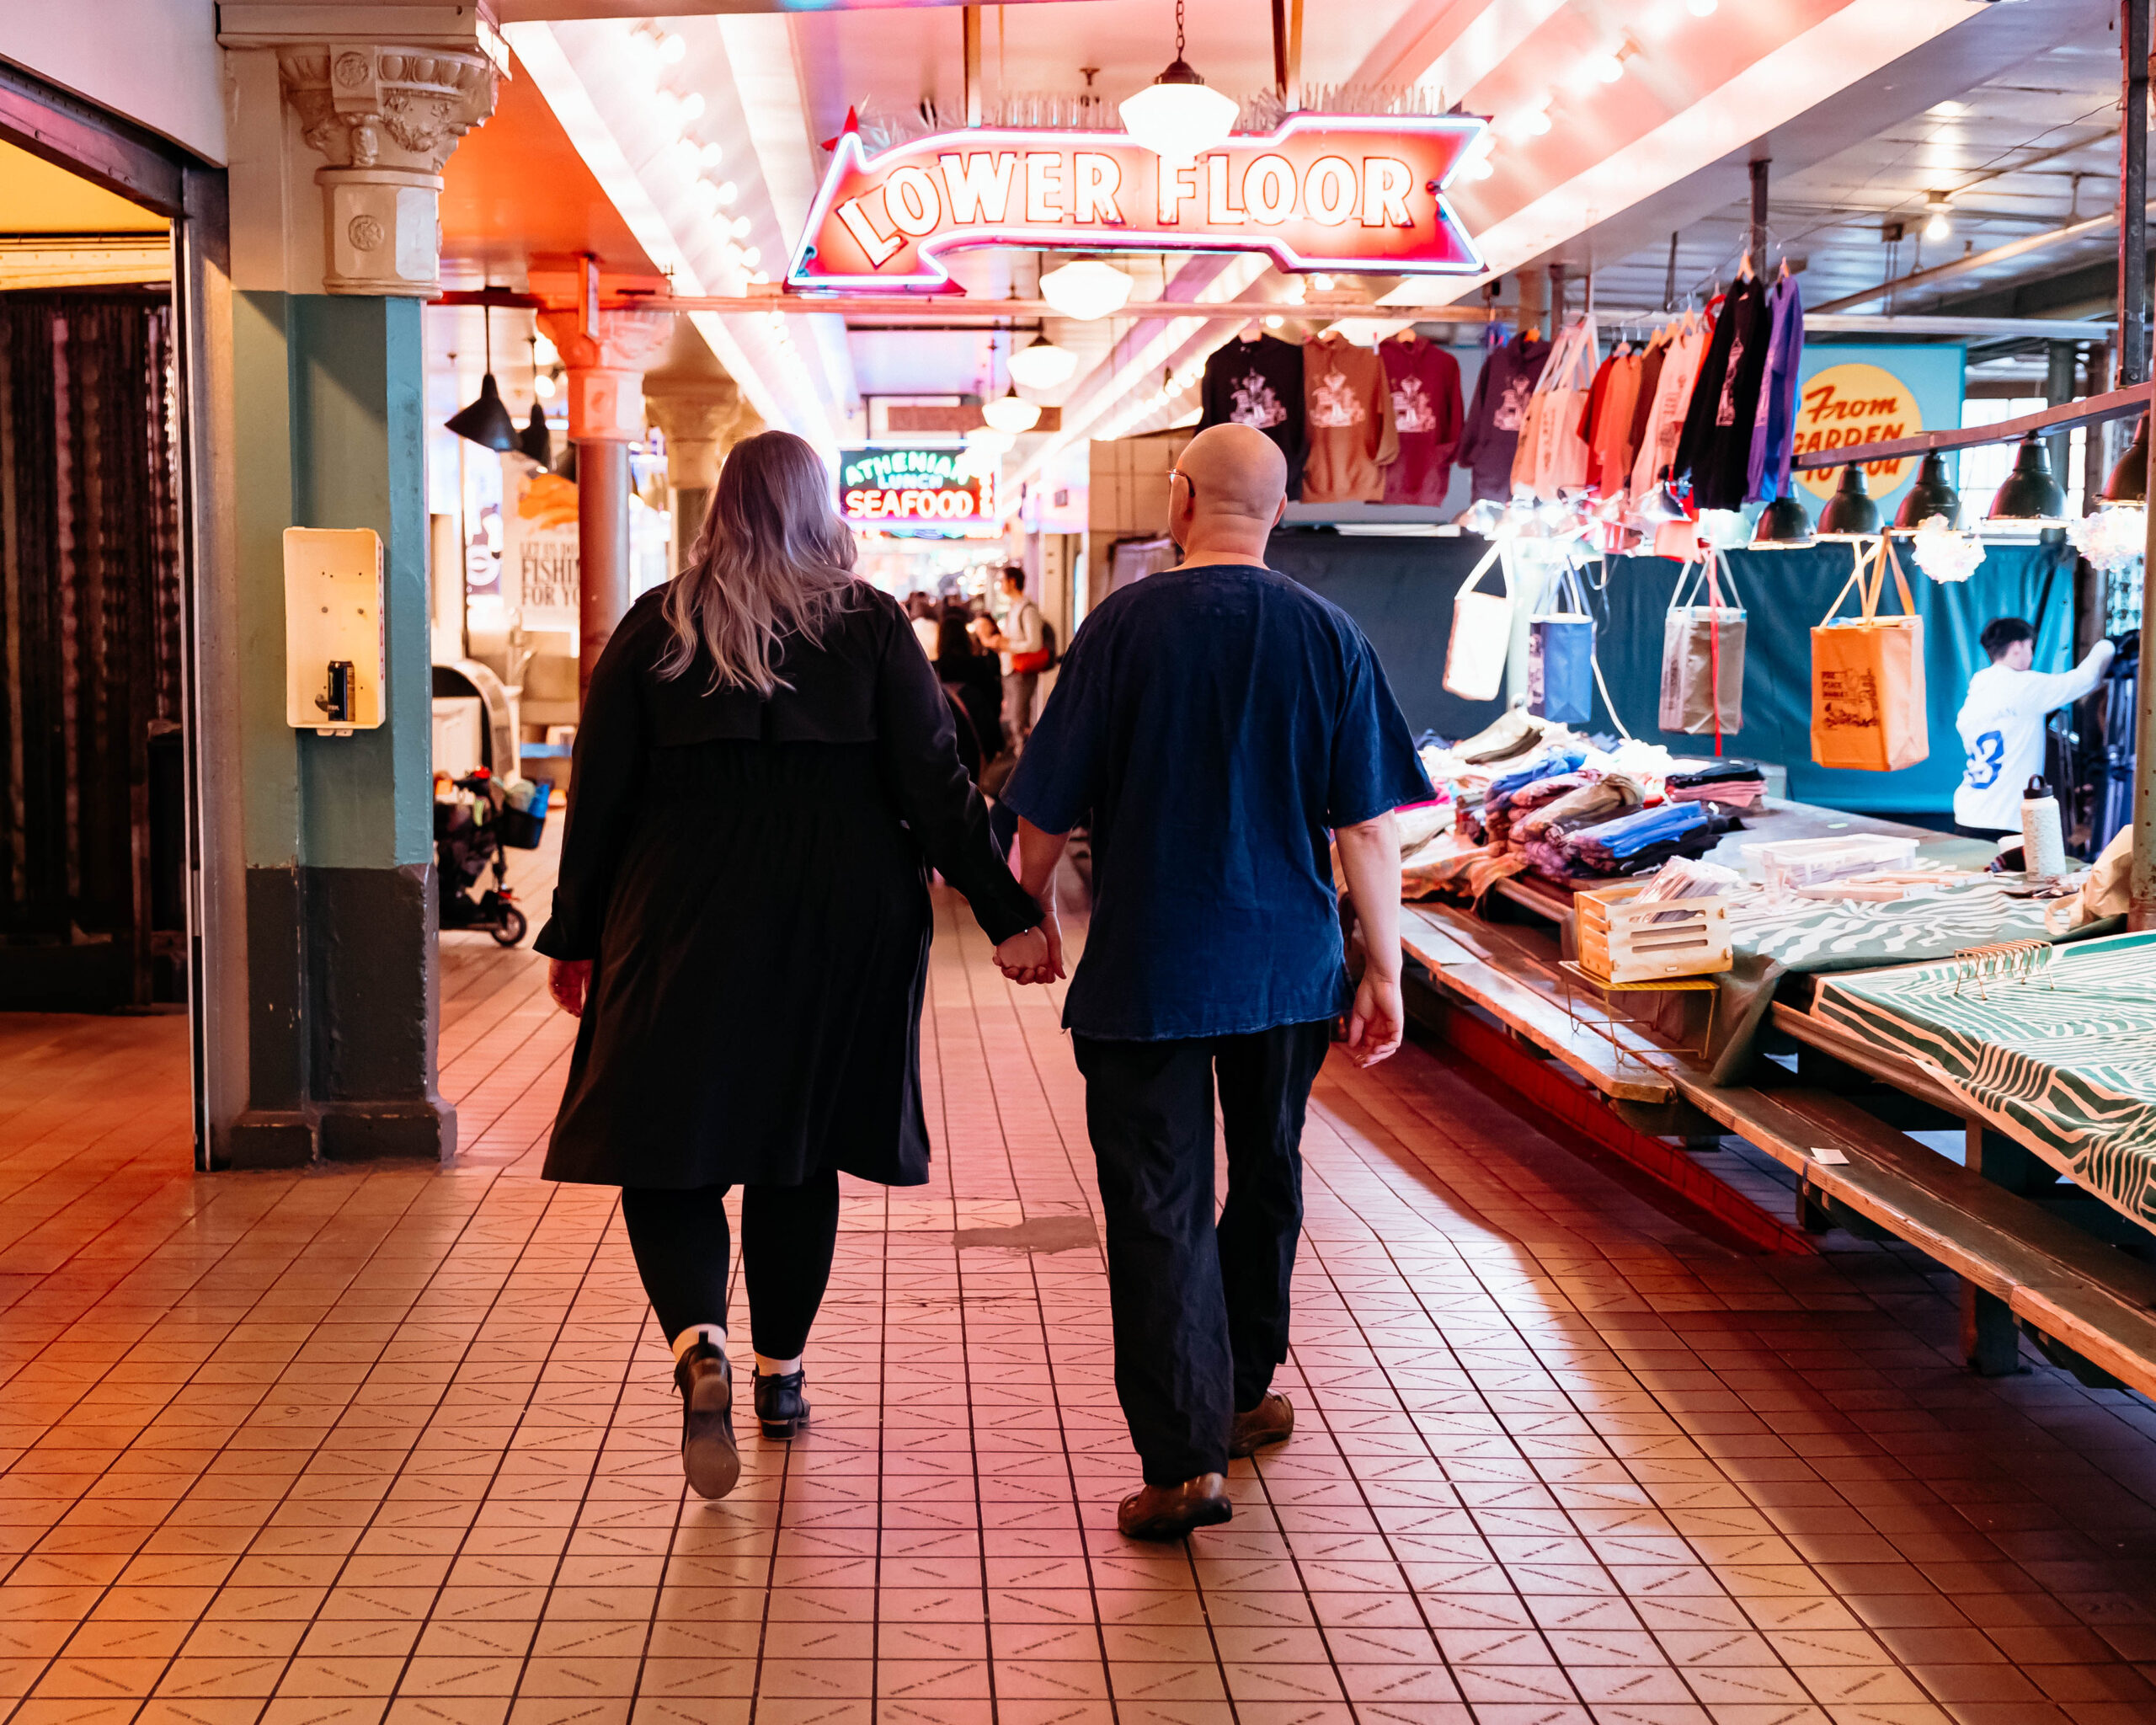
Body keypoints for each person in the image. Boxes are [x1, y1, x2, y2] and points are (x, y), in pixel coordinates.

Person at [536, 431, 1051, 1500]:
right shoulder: (868, 626)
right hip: (842, 917)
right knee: (797, 1143)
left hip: (678, 912)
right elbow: (936, 784)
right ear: (823, 509)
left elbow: (604, 791)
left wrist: (575, 930)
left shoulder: (658, 624)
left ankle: (698, 1345)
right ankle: (779, 1374)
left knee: (664, 1145)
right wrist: (1008, 914)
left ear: (720, 508)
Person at [995, 423, 1432, 1542]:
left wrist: (1027, 910)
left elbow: (1045, 805)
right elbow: (1368, 829)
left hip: (1149, 969)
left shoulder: (1121, 630)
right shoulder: (1328, 636)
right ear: (1278, 510)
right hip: (1290, 968)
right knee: (1269, 1172)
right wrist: (1381, 964)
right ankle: (1241, 1388)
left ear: (1179, 500)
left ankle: (1186, 1458)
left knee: (1159, 1202)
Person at [1952, 616, 2115, 838]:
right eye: (2030, 646)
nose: (2031, 654)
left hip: (1968, 814)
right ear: (2018, 646)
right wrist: (2109, 644)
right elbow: (2087, 679)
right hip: (2003, 820)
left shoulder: (1975, 698)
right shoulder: (2023, 686)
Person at [977, 565, 1048, 748]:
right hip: (1011, 670)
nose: (1000, 585)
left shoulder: (1027, 609)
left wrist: (1006, 645)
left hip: (1021, 670)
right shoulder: (1015, 608)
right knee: (1016, 720)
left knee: (1019, 722)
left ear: (1012, 582)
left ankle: (1023, 764)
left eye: (1002, 581)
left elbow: (1034, 644)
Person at [936, 607, 1003, 777]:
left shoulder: (934, 670)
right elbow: (995, 701)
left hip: (946, 741)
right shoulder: (980, 665)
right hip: (978, 737)